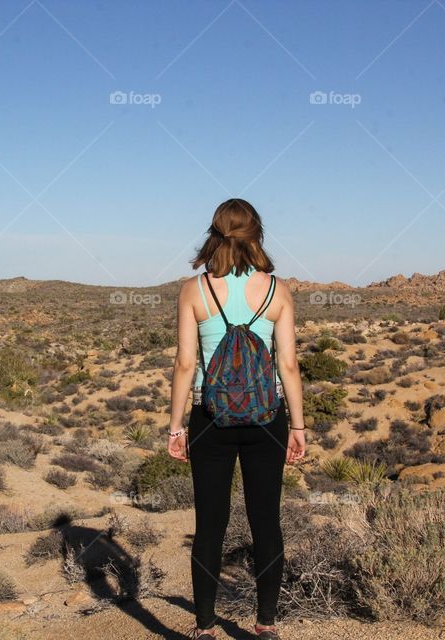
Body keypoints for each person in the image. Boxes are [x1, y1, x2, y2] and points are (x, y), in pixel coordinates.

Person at [167, 198, 305, 639]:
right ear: (256, 234)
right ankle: (265, 626)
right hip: (268, 419)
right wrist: (298, 427)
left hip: (210, 418)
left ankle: (205, 628)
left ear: (214, 233)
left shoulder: (195, 290)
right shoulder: (277, 290)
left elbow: (185, 364)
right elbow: (289, 365)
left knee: (210, 525)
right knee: (266, 521)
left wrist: (176, 426)